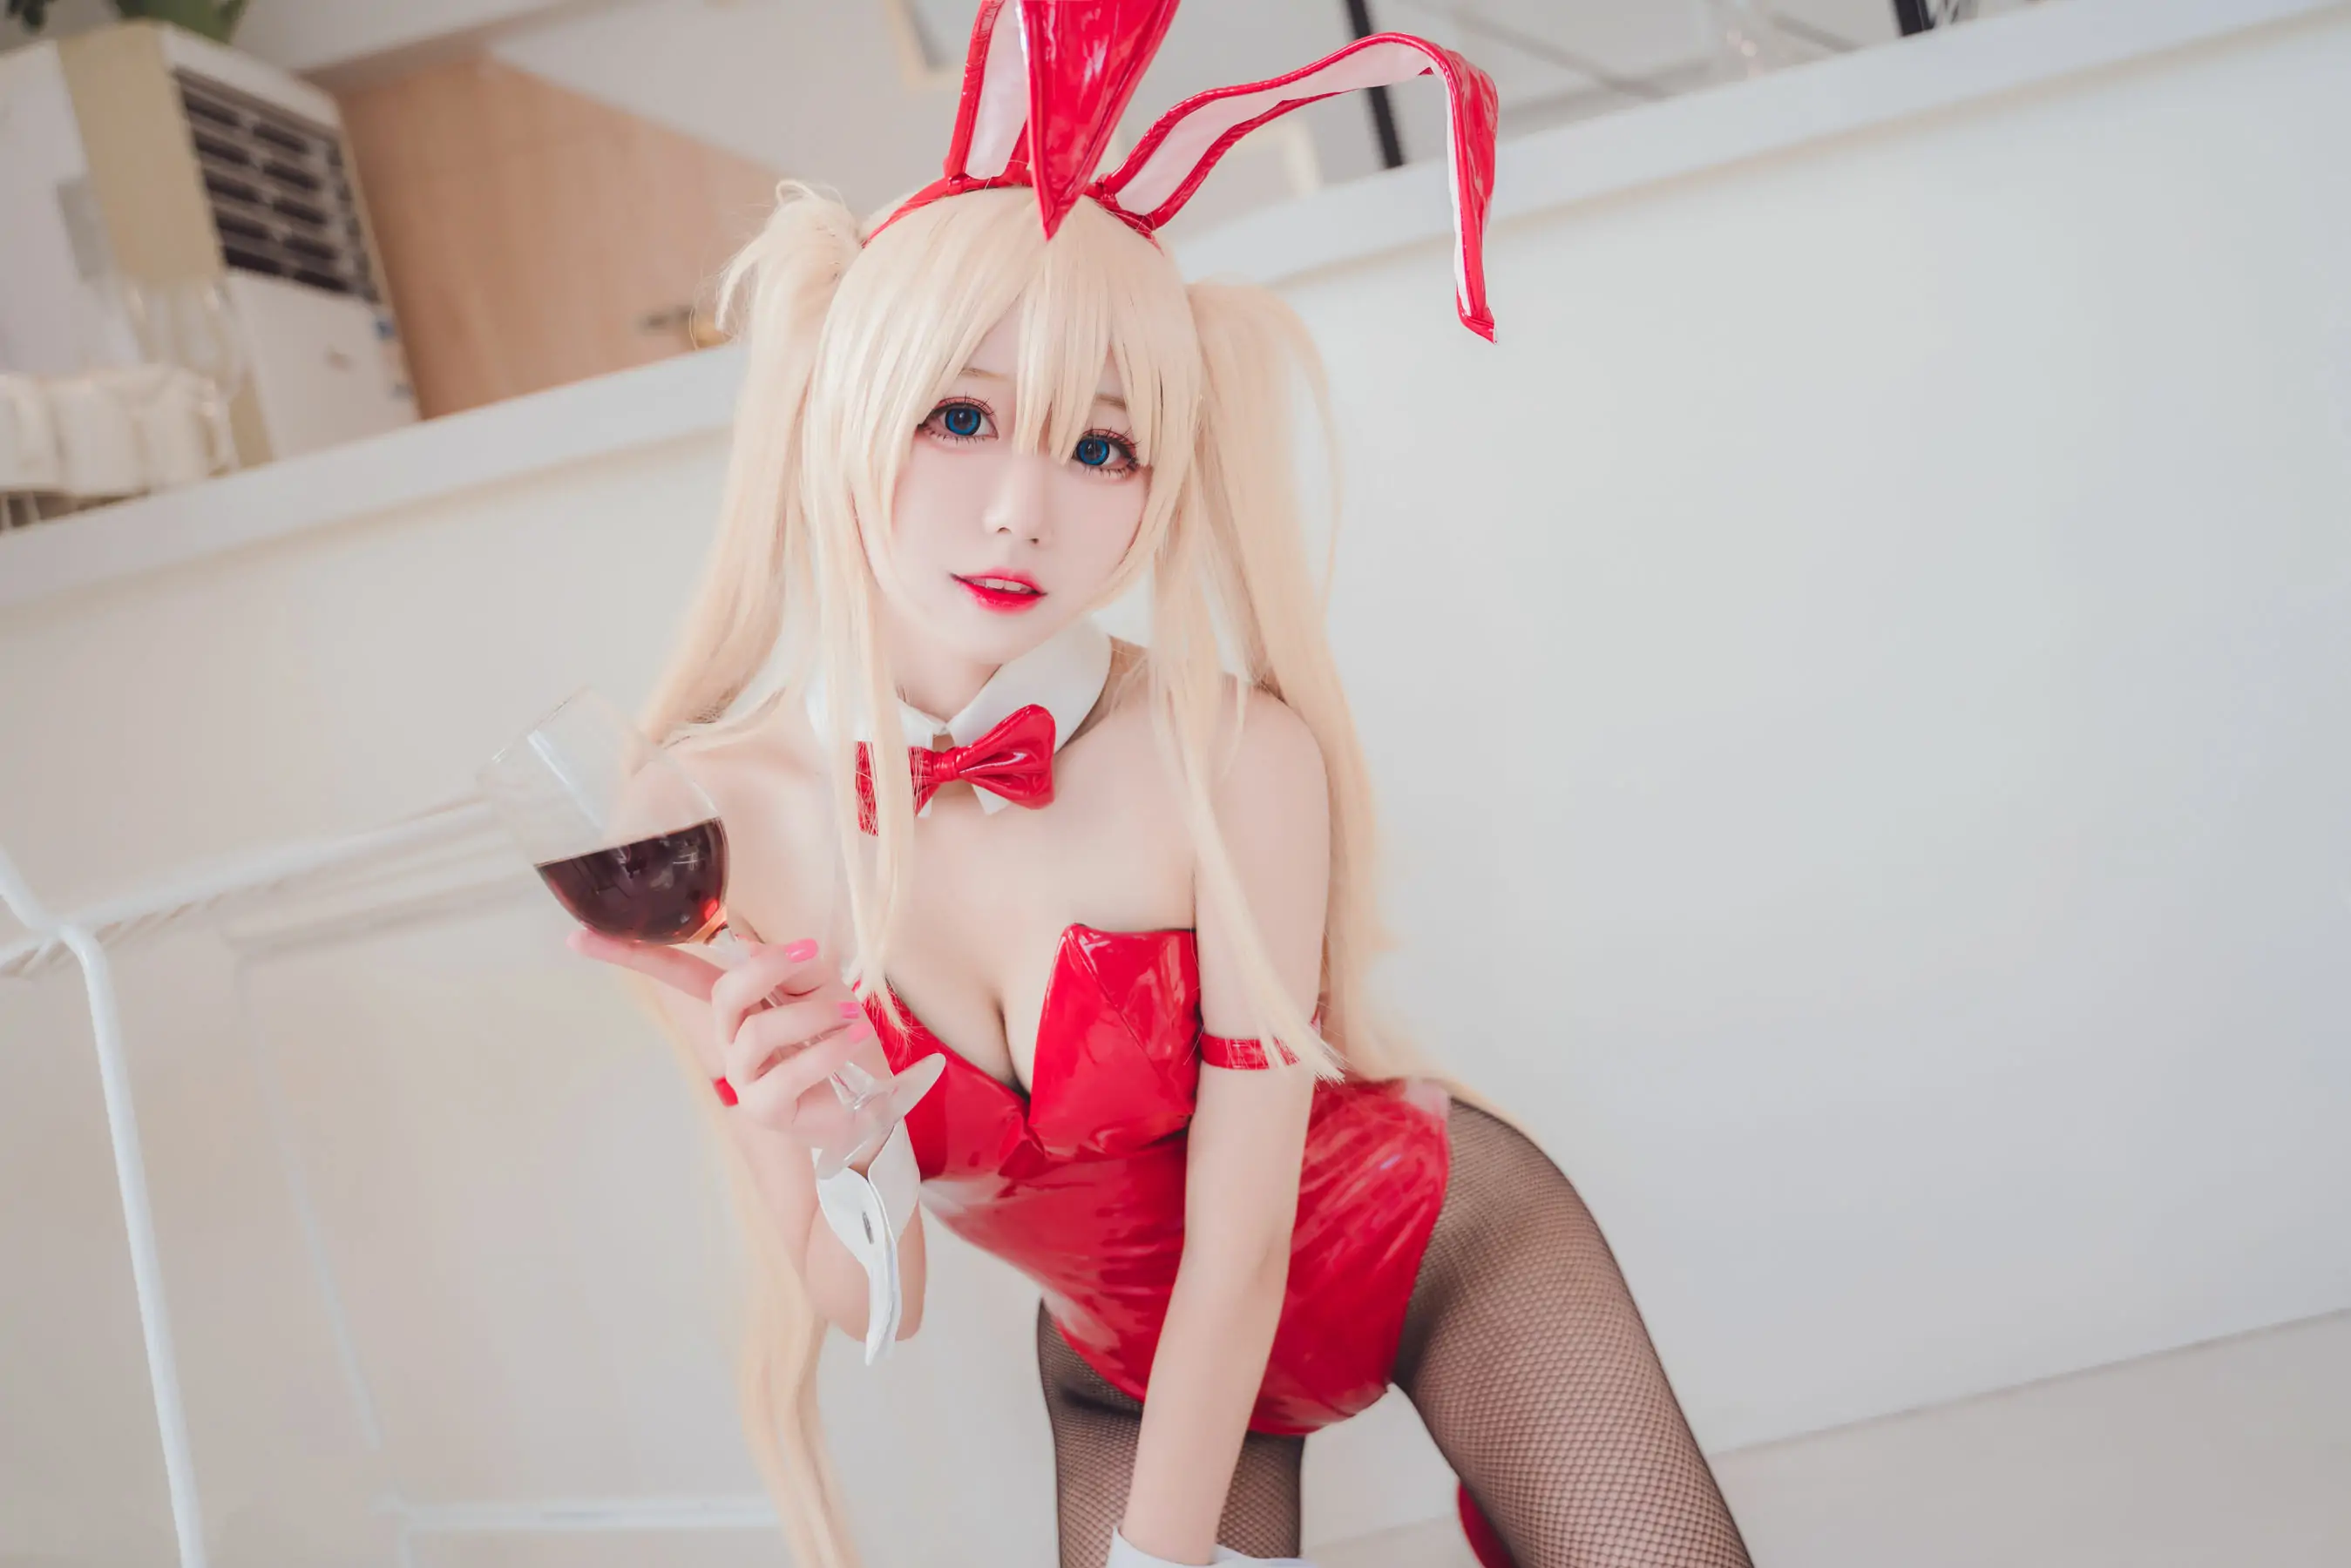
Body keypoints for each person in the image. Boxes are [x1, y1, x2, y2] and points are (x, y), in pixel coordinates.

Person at [570, 4, 1752, 1565]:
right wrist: (836, 1142)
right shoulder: (699, 828)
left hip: (1439, 1245)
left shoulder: (1233, 754)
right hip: (1127, 1362)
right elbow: (871, 1307)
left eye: (1101, 449)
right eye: (961, 417)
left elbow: (1243, 1241)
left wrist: (1156, 1556)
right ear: (841, 414)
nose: (1022, 509)